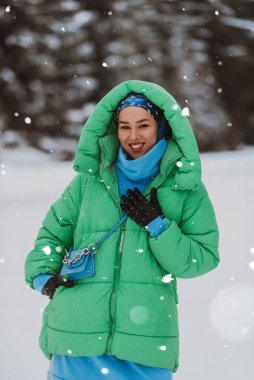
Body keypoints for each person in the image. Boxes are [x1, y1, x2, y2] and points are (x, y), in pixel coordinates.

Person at [25, 80, 220, 380]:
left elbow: (203, 258)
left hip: (144, 347)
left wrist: (159, 227)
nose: (133, 136)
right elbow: (51, 236)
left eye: (143, 125)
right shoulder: (88, 182)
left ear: (161, 126)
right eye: (124, 126)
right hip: (76, 339)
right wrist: (42, 277)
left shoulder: (185, 188)